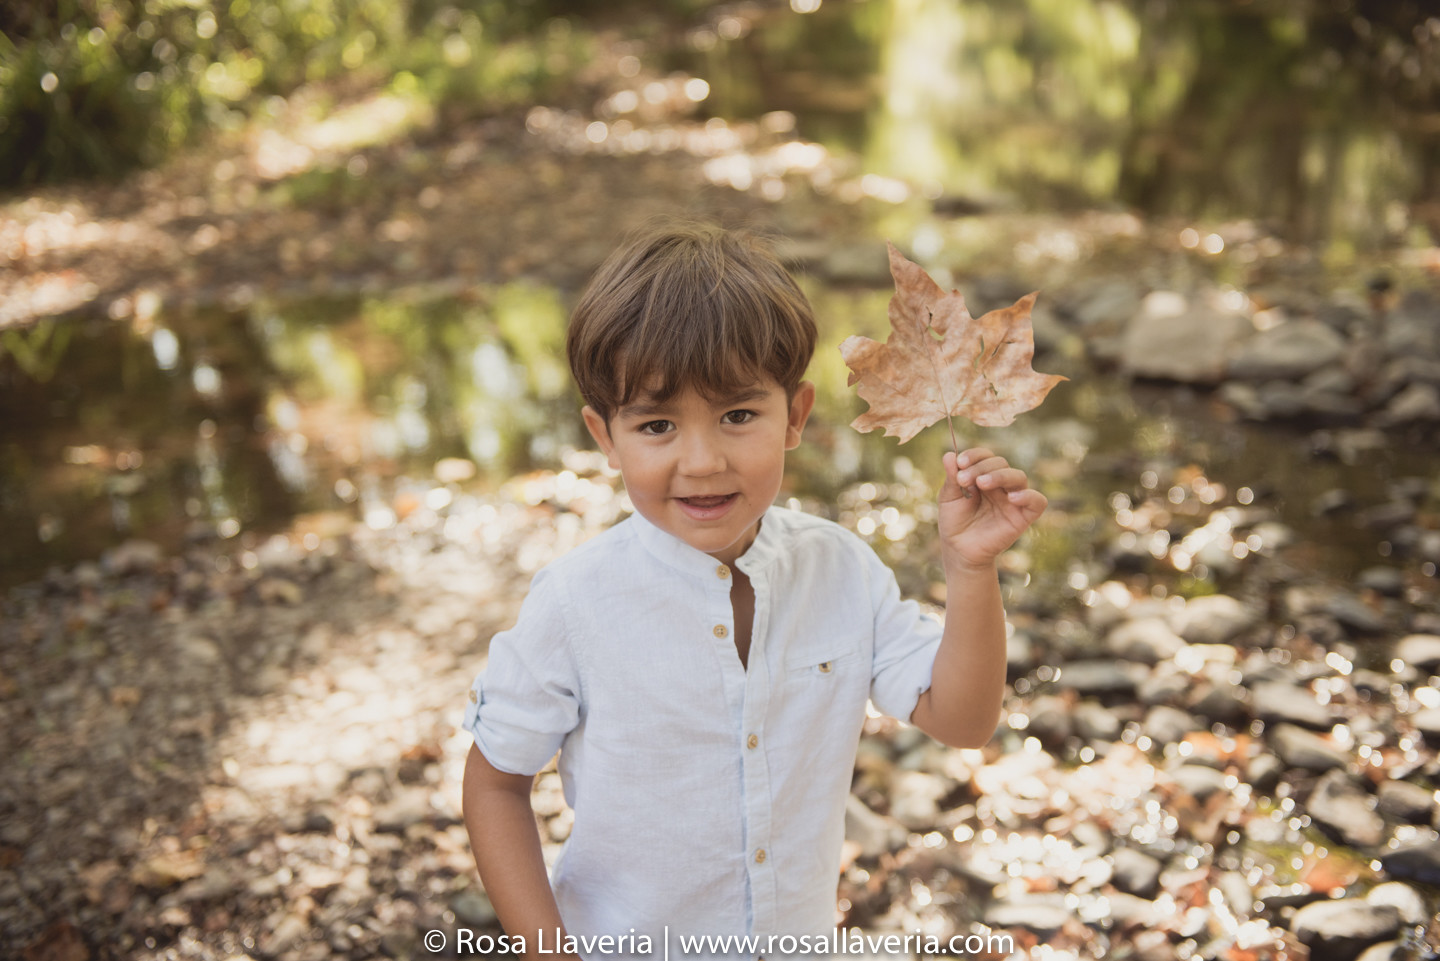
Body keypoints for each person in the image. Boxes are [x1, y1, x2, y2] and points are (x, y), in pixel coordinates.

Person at [460, 221, 1046, 960]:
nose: (702, 461)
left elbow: (961, 720)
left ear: (795, 416)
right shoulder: (576, 604)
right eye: (657, 424)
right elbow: (495, 785)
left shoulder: (840, 569)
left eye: (739, 415)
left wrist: (969, 569)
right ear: (605, 437)